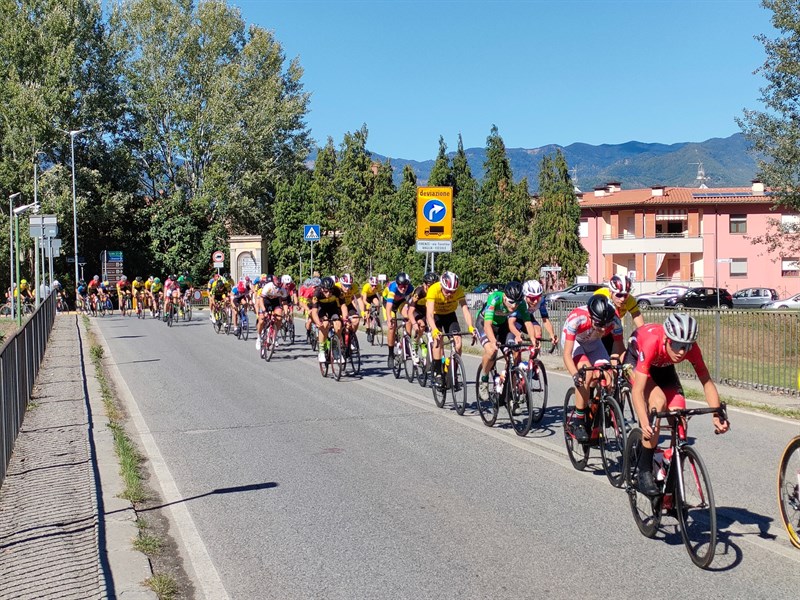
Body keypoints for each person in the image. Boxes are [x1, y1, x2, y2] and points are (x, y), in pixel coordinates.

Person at [624, 313, 729, 495]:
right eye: (678, 345)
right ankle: (644, 470)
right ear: (667, 338)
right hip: (636, 361)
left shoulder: (690, 349)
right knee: (658, 402)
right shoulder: (652, 342)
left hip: (663, 367)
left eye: (687, 346)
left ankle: (672, 465)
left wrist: (716, 414)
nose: (682, 351)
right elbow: (638, 391)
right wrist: (645, 421)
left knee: (679, 415)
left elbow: (706, 381)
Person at [561, 294, 625, 443]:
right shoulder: (577, 318)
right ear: (591, 316)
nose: (603, 329)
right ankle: (579, 421)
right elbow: (567, 354)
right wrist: (575, 375)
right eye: (599, 324)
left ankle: (597, 411)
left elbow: (619, 347)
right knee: (586, 375)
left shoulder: (615, 320)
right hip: (575, 343)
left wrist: (615, 368)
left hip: (594, 343)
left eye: (605, 325)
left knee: (608, 377)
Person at [476, 281, 540, 401]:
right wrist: (494, 341)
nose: (514, 306)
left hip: (501, 326)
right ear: (505, 297)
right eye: (511, 302)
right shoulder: (495, 299)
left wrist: (533, 339)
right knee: (491, 351)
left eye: (517, 303)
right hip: (484, 323)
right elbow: (487, 325)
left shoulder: (519, 304)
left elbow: (527, 322)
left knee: (512, 352)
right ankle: (483, 380)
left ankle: (509, 392)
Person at [425, 271, 476, 386]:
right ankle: (437, 373)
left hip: (449, 315)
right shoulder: (434, 289)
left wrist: (471, 327)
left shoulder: (459, 290)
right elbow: (429, 315)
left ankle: (452, 369)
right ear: (442, 285)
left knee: (458, 342)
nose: (450, 294)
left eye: (452, 292)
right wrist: (434, 329)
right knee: (438, 341)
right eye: (447, 291)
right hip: (435, 315)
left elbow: (465, 310)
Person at [593, 275, 645, 358]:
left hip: (611, 329)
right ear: (610, 292)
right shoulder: (601, 296)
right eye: (619, 295)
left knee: (618, 358)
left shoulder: (630, 300)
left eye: (625, 295)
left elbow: (639, 321)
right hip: (595, 330)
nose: (622, 299)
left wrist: (645, 336)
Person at [309, 276, 348, 363]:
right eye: (326, 291)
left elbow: (343, 306)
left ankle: (335, 348)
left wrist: (345, 319)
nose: (328, 293)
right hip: (321, 309)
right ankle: (322, 350)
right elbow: (314, 312)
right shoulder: (317, 293)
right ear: (322, 289)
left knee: (338, 325)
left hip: (332, 308)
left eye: (330, 291)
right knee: (325, 324)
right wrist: (318, 323)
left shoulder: (337, 290)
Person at [383, 272, 413, 368]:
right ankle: (391, 354)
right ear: (397, 284)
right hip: (388, 303)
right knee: (392, 326)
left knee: (408, 317)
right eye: (401, 286)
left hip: (400, 302)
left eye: (405, 286)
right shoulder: (393, 288)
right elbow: (389, 306)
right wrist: (389, 318)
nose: (403, 288)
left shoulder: (411, 288)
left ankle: (406, 340)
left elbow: (411, 303)